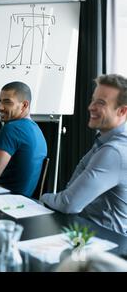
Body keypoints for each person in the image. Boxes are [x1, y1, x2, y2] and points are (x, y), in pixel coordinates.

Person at [41, 74, 127, 236]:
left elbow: (68, 203)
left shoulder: (114, 151)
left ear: (122, 111)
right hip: (89, 229)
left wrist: (42, 198)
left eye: (100, 103)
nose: (91, 107)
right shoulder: (107, 140)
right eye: (93, 100)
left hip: (108, 243)